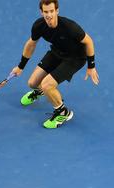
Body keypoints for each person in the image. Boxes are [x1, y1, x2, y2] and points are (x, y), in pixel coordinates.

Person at [10, 0, 99, 129]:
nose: (49, 15)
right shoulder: (39, 26)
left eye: (52, 11)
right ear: (41, 12)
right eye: (46, 12)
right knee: (32, 83)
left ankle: (63, 112)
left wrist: (91, 66)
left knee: (47, 85)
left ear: (57, 10)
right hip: (57, 52)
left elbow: (89, 42)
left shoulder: (70, 26)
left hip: (75, 58)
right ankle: (41, 92)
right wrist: (20, 66)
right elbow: (31, 44)